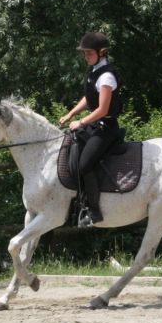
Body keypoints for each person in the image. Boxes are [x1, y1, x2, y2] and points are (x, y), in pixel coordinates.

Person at [59, 31, 124, 227]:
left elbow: (103, 109)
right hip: (96, 125)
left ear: (101, 53)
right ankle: (79, 201)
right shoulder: (95, 71)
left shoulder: (106, 77)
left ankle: (94, 211)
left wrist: (81, 122)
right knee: (71, 148)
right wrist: (71, 114)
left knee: (85, 164)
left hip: (106, 128)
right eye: (84, 53)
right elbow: (89, 99)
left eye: (89, 53)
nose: (85, 57)